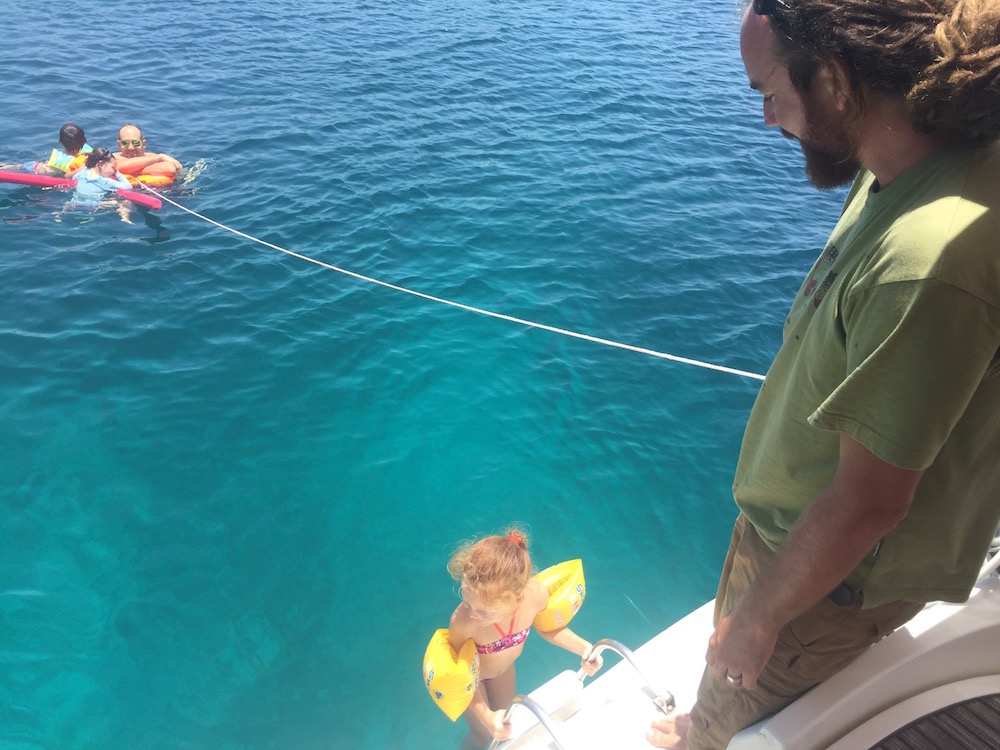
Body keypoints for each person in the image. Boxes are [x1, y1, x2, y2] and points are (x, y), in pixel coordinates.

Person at [647, 1, 1000, 748]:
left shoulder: (926, 264)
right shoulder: (909, 165)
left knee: (733, 717)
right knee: (726, 692)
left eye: (769, 93)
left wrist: (758, 622)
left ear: (836, 82)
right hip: (797, 548)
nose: (768, 120)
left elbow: (868, 503)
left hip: (819, 588)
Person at [447, 529, 603, 749]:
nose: (472, 612)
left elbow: (548, 628)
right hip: (473, 681)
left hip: (504, 670)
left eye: (483, 611)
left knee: (505, 728)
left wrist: (585, 649)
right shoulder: (464, 622)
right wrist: (485, 715)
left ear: (515, 599)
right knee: (483, 733)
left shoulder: (535, 596)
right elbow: (459, 675)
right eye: (466, 601)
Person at [18, 123, 93, 177]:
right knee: (16, 168)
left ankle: (5, 166)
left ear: (61, 143)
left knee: (16, 167)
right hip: (36, 170)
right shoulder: (71, 160)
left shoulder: (65, 156)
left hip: (36, 166)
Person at [113, 123, 182, 180]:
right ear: (119, 145)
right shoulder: (112, 158)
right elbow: (115, 167)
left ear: (144, 144)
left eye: (135, 143)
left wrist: (129, 170)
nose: (131, 147)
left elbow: (170, 169)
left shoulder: (152, 156)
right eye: (125, 143)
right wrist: (161, 157)